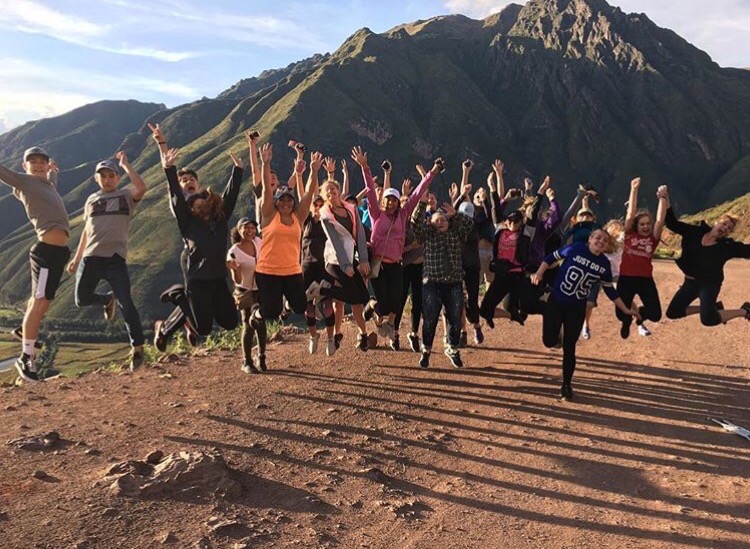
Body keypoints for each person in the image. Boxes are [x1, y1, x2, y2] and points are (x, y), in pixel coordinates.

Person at [532, 229, 640, 401]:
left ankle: (566, 385)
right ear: (590, 239)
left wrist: (625, 309)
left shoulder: (604, 264)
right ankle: (554, 329)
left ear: (607, 246)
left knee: (570, 347)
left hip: (576, 309)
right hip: (556, 302)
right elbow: (550, 258)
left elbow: (610, 290)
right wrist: (539, 272)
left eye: (605, 240)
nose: (600, 241)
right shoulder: (574, 249)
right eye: (597, 237)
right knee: (549, 342)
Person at [153, 146, 243, 350]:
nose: (198, 200)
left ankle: (188, 314)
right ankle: (179, 295)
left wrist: (238, 170)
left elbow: (230, 197)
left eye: (192, 180)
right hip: (198, 278)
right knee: (203, 329)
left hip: (219, 277)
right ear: (190, 207)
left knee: (230, 323)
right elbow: (175, 195)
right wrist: (168, 168)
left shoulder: (219, 219)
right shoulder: (186, 221)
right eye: (194, 201)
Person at [66, 153, 147, 371]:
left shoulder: (126, 196)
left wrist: (126, 165)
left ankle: (137, 349)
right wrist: (76, 257)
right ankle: (105, 300)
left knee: (127, 304)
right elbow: (86, 230)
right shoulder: (91, 200)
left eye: (112, 175)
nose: (108, 179)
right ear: (96, 179)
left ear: (118, 178)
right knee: (81, 300)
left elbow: (141, 187)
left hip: (115, 260)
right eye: (103, 176)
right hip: (90, 258)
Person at [351, 147, 437, 346]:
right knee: (383, 301)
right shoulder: (375, 213)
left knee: (397, 301)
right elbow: (372, 192)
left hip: (396, 264)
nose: (390, 203)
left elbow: (416, 194)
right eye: (388, 199)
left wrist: (431, 174)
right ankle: (375, 308)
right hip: (379, 264)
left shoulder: (403, 214)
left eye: (394, 200)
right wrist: (365, 168)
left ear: (398, 202)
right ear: (384, 201)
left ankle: (387, 324)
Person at [1, 146, 69, 382]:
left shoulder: (46, 184)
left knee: (43, 303)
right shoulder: (25, 182)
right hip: (46, 252)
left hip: (59, 253)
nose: (39, 164)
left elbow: (51, 186)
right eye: (33, 161)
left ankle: (24, 329)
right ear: (24, 166)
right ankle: (26, 357)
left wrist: (53, 172)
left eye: (43, 161)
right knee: (39, 303)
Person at [250, 144, 319, 347]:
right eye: (282, 200)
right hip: (267, 271)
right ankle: (256, 313)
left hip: (291, 271)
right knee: (270, 311)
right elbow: (266, 191)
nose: (286, 203)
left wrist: (314, 171)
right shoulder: (269, 216)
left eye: (289, 200)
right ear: (277, 202)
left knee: (299, 306)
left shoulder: (299, 217)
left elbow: (307, 194)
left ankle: (287, 304)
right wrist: (266, 163)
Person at [663, 189, 750, 326]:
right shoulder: (694, 232)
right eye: (724, 223)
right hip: (690, 283)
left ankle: (744, 311)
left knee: (708, 320)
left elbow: (747, 250)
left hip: (709, 284)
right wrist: (665, 199)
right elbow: (672, 223)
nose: (725, 228)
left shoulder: (727, 246)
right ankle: (712, 308)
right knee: (673, 312)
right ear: (716, 222)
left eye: (729, 228)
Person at [411, 188, 474, 369]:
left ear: (449, 222)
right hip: (432, 282)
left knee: (455, 318)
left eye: (443, 219)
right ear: (430, 224)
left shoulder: (457, 234)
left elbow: (469, 225)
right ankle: (426, 351)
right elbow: (415, 224)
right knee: (430, 317)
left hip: (454, 282)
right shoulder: (427, 235)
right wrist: (422, 204)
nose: (439, 222)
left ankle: (452, 348)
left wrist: (455, 215)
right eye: (436, 220)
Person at [313, 179, 371, 353]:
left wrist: (363, 259)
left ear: (338, 190)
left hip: (350, 256)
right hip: (335, 260)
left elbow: (360, 234)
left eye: (333, 189)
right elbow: (334, 240)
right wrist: (345, 264)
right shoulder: (325, 214)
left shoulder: (351, 209)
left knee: (362, 297)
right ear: (325, 196)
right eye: (327, 191)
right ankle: (363, 335)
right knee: (353, 299)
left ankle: (323, 290)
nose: (331, 192)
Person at [617, 178, 667, 338]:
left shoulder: (653, 239)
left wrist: (663, 198)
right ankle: (626, 322)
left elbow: (660, 220)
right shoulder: (628, 235)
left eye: (648, 224)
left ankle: (639, 318)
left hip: (645, 279)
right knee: (621, 314)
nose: (646, 226)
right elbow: (630, 213)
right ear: (636, 226)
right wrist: (634, 189)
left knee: (655, 314)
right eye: (642, 224)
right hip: (626, 279)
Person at [227, 218, 267, 373]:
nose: (250, 231)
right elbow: (237, 280)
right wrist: (235, 269)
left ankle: (261, 357)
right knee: (249, 325)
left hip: (261, 289)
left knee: (261, 322)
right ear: (239, 230)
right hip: (245, 291)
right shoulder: (234, 252)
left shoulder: (259, 242)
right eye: (246, 228)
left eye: (252, 228)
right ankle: (247, 361)